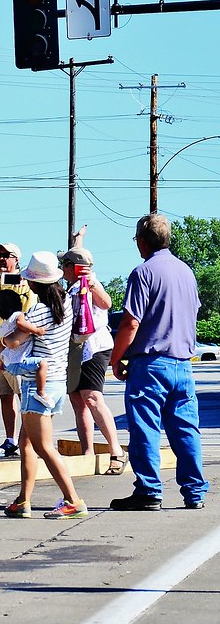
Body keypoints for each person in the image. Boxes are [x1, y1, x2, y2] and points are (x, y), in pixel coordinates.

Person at [109, 214, 209, 510]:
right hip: (183, 363)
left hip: (151, 364)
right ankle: (194, 492)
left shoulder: (143, 273)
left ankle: (149, 490)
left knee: (145, 428)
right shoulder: (186, 272)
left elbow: (131, 322)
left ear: (142, 240)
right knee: (186, 430)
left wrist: (117, 358)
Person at [3, 251, 87, 519]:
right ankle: (23, 501)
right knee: (26, 442)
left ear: (34, 283)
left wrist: (5, 336)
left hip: (36, 386)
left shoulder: (40, 311)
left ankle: (73, 500)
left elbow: (13, 342)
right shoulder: (66, 303)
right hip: (56, 381)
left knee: (44, 446)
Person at [59, 243, 126, 474]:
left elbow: (106, 303)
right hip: (74, 349)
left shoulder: (91, 284)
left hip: (95, 347)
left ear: (73, 267)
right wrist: (79, 240)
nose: (62, 268)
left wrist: (91, 280)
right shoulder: (70, 289)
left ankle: (116, 451)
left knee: (92, 397)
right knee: (77, 400)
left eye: (65, 264)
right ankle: (87, 452)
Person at [0, 242, 37, 458]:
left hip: (15, 347)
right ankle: (10, 440)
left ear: (16, 259)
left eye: (7, 255)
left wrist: (12, 345)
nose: (1, 258)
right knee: (4, 395)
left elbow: (27, 319)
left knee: (24, 396)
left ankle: (30, 440)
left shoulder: (25, 285)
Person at [0, 290, 50, 407]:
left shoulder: (3, 325)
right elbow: (20, 323)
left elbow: (1, 345)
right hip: (19, 362)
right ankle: (41, 392)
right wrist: (37, 330)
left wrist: (1, 362)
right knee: (42, 364)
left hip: (9, 364)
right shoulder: (18, 315)